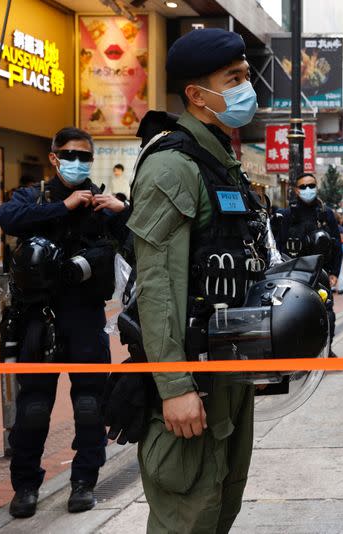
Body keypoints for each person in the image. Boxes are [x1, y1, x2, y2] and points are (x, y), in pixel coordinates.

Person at [127, 28, 275, 532]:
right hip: (192, 377)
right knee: (187, 516)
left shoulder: (221, 161)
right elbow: (157, 286)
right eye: (232, 78)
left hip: (228, 374)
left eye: (245, 75)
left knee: (219, 508)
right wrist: (173, 386)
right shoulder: (174, 164)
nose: (246, 86)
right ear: (196, 94)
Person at [0, 127, 130, 518]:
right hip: (37, 317)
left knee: (90, 403)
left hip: (85, 315)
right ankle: (25, 487)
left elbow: (134, 241)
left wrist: (124, 212)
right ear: (54, 157)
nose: (78, 162)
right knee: (34, 406)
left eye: (85, 156)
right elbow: (8, 217)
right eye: (70, 154)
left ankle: (84, 481)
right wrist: (65, 205)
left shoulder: (103, 203)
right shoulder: (34, 197)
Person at [274, 172, 342, 357]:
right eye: (303, 187)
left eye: (311, 185)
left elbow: (336, 244)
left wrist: (335, 272)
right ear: (296, 190)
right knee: (296, 313)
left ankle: (326, 350)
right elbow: (278, 246)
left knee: (327, 313)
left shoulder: (325, 214)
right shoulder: (288, 215)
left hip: (321, 271)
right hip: (296, 271)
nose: (308, 190)